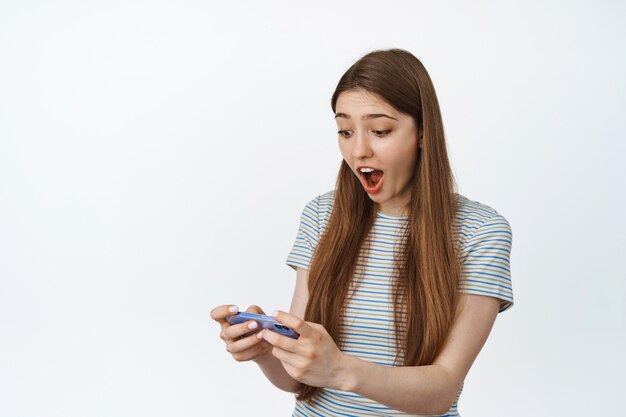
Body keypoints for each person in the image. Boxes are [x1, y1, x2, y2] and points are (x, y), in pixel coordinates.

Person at [210, 48, 514, 417]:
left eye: (380, 131)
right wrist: (266, 352)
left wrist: (341, 370)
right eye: (345, 131)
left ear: (422, 132)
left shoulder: (481, 232)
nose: (358, 150)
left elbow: (441, 391)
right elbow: (298, 380)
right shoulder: (322, 215)